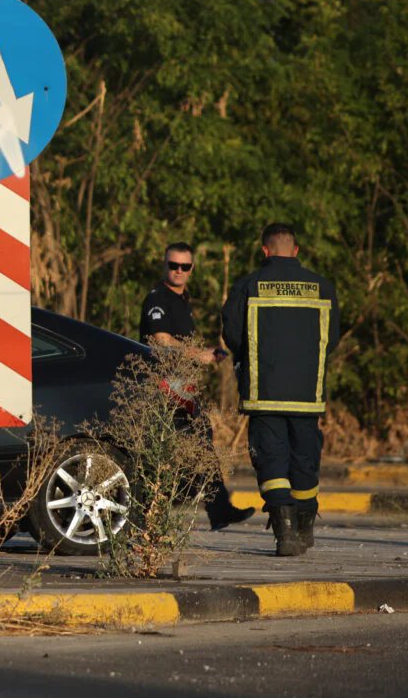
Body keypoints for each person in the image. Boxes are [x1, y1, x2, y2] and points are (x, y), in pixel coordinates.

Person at [221, 223, 340, 556]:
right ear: (297, 250)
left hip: (264, 391)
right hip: (307, 393)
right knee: (305, 459)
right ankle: (305, 525)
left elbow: (232, 332)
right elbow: (332, 338)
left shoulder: (248, 284)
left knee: (272, 460)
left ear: (265, 251)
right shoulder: (322, 286)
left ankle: (284, 534)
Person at [139, 241, 255, 531]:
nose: (178, 271)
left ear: (192, 269)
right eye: (173, 265)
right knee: (174, 450)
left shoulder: (181, 300)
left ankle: (218, 510)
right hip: (165, 386)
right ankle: (151, 516)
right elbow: (160, 340)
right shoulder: (157, 299)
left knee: (200, 441)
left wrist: (209, 353)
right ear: (164, 265)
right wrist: (198, 354)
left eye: (184, 266)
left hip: (182, 386)